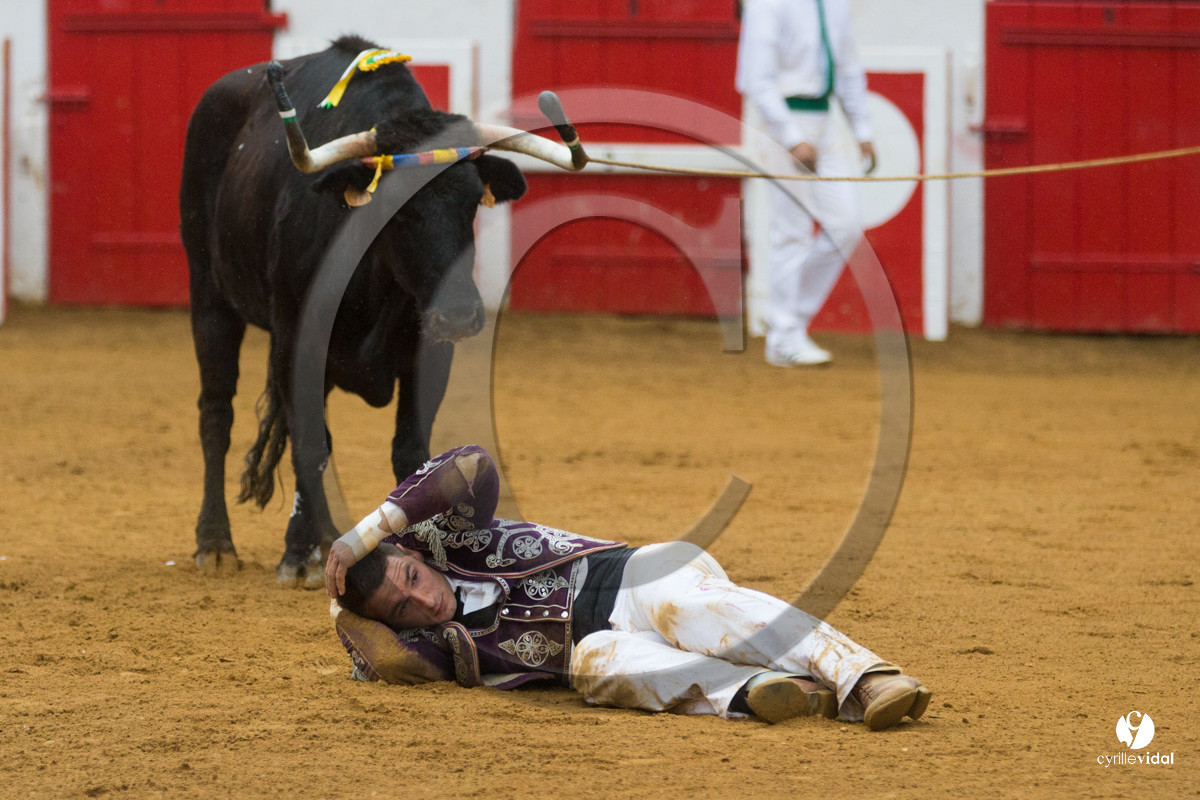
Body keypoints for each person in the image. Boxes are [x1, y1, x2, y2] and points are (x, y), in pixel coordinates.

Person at [325, 445, 931, 730]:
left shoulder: (448, 535)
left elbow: (472, 463)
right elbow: (382, 655)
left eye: (412, 579)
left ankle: (865, 675)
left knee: (682, 604)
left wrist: (364, 534)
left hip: (634, 577)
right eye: (405, 611)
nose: (426, 602)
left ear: (409, 551)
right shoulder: (432, 646)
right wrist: (343, 602)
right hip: (597, 645)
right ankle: (769, 691)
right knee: (595, 668)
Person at [736, 0, 875, 367]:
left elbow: (848, 68)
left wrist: (863, 129)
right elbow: (757, 80)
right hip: (780, 121)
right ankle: (784, 336)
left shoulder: (834, 4)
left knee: (845, 225)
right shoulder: (768, 5)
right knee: (791, 230)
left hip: (824, 121)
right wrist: (791, 136)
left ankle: (789, 323)